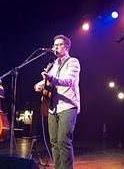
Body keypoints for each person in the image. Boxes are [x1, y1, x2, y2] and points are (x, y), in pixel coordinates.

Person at [34, 34, 80, 169]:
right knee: (54, 142)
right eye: (54, 45)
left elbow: (69, 80)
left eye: (59, 45)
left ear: (66, 47)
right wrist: (39, 84)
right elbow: (47, 80)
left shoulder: (73, 62)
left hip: (68, 106)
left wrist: (52, 78)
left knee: (64, 141)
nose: (55, 47)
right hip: (52, 107)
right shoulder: (53, 64)